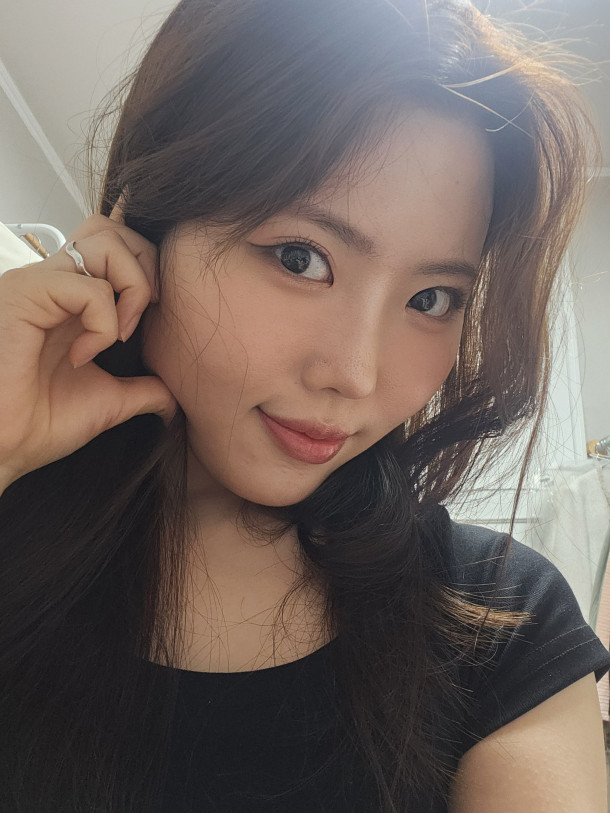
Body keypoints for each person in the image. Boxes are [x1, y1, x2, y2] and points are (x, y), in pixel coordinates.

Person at [0, 0, 609, 810]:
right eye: (300, 257)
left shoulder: (501, 620)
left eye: (431, 298)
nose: (355, 374)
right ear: (145, 225)